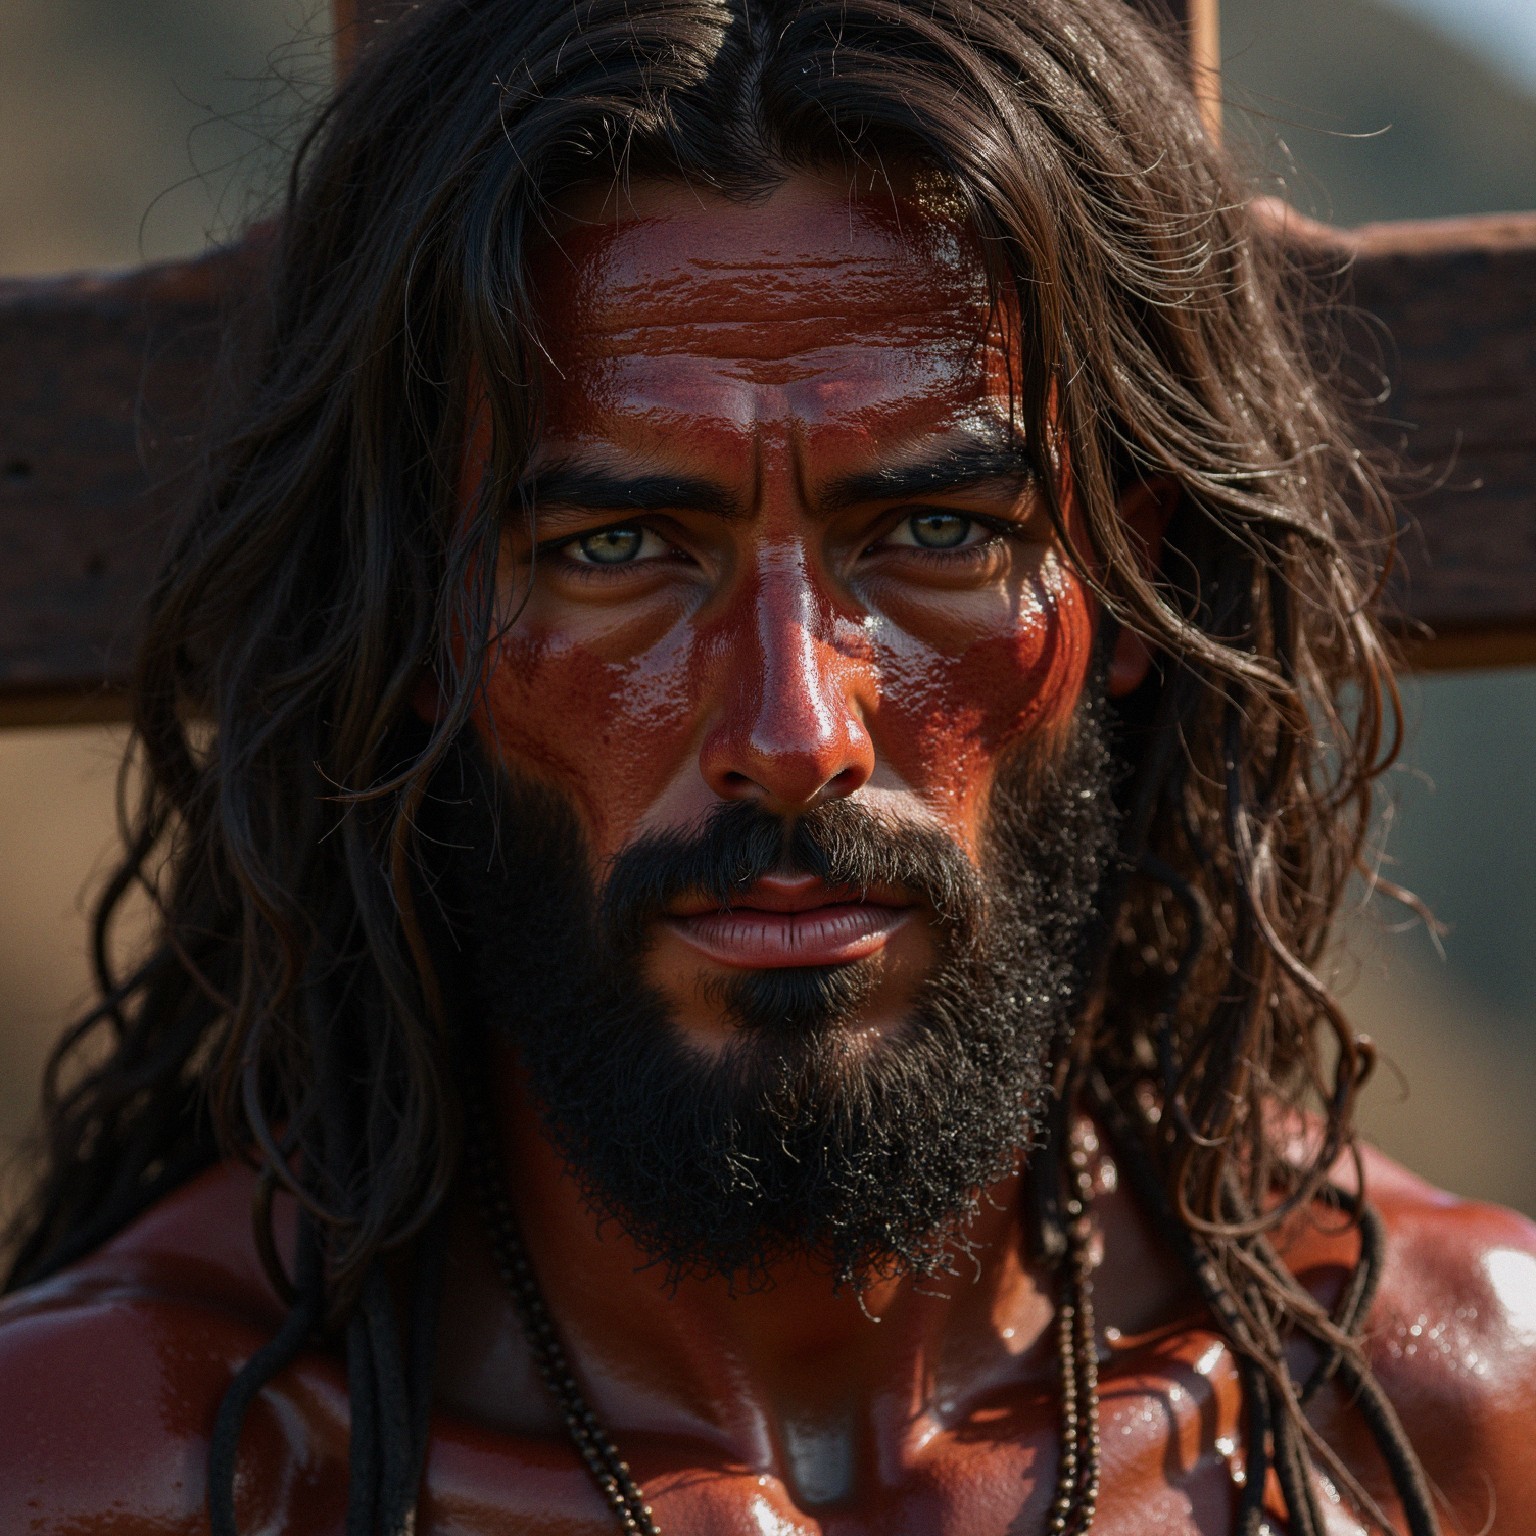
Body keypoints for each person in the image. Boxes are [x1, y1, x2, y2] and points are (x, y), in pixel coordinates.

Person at [2, 0, 1533, 1531]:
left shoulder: (1432, 1416)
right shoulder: (133, 1473)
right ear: (419, 620)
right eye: (617, 546)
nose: (798, 734)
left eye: (938, 531)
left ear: (1125, 579)